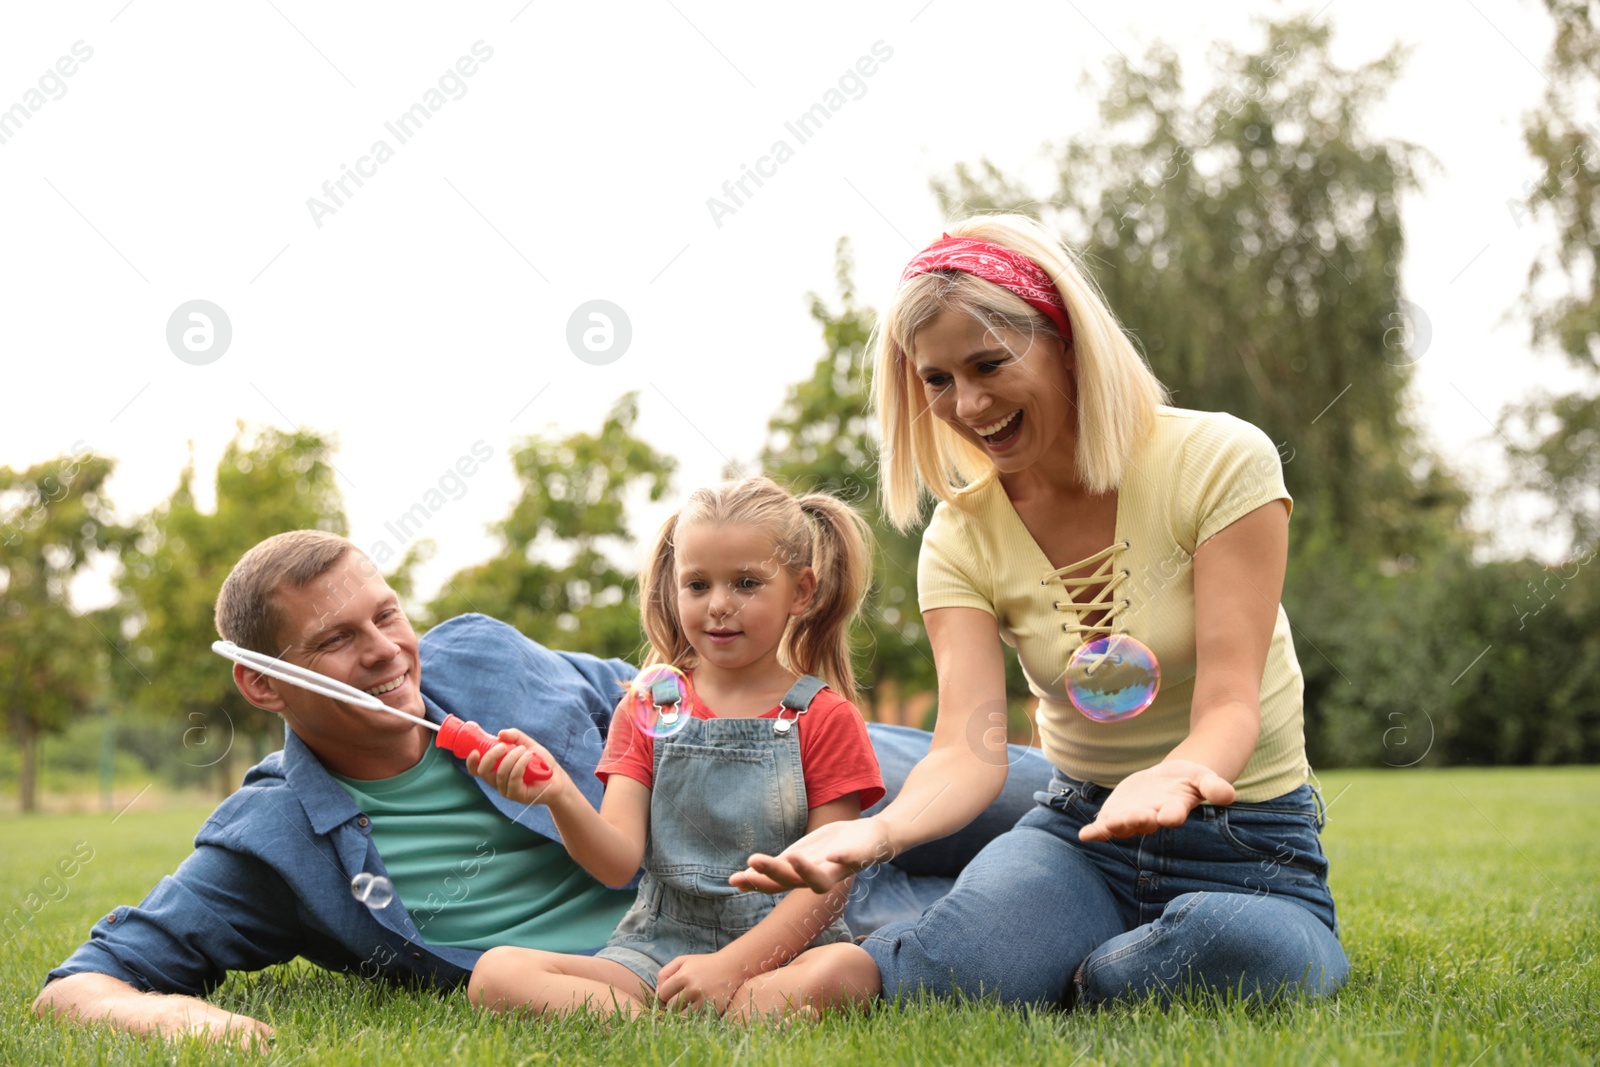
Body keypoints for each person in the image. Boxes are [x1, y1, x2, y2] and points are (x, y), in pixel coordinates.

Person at [34, 528, 1050, 1044]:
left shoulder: (475, 653)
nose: (390, 651)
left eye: (386, 614)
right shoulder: (271, 844)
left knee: (1055, 797)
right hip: (736, 944)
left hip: (773, 783)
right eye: (335, 641)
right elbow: (78, 980)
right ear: (263, 680)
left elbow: (650, 696)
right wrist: (177, 1019)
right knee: (1051, 920)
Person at [733, 215, 1350, 1008]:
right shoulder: (960, 534)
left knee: (1234, 946)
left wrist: (1174, 776)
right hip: (1077, 834)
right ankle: (996, 951)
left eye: (990, 363)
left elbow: (1231, 699)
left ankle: (1094, 969)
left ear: (1064, 339)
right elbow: (967, 744)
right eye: (937, 380)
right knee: (964, 966)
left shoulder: (1219, 460)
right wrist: (876, 833)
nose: (968, 403)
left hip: (1247, 846)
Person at [466, 477, 883, 1021]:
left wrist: (733, 967)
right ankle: (670, 1019)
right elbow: (618, 863)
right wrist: (559, 797)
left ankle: (691, 1012)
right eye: (698, 585)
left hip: (784, 951)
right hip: (656, 949)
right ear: (674, 588)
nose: (719, 606)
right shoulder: (650, 703)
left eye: (747, 583)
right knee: (496, 972)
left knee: (848, 971)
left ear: (801, 592)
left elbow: (828, 886)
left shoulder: (825, 716)